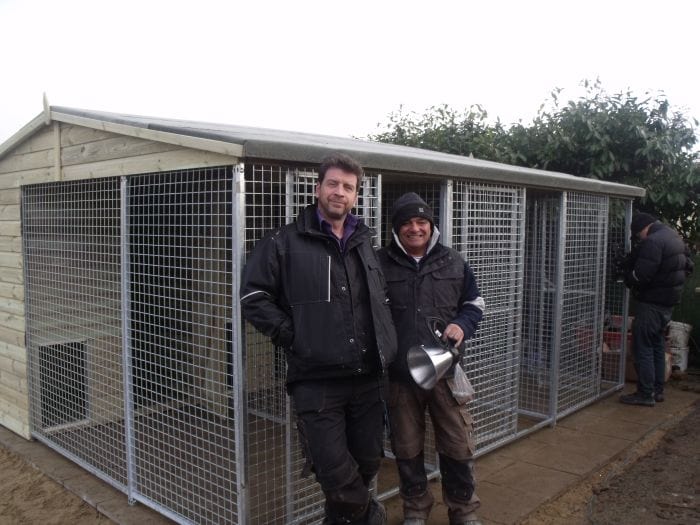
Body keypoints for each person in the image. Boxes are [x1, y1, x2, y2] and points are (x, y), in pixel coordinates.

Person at [240, 152, 397, 524]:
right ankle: (370, 514)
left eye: (348, 186)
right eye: (333, 184)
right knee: (335, 472)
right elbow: (253, 297)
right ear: (317, 189)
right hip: (317, 379)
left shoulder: (364, 242)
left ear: (356, 195)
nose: (339, 192)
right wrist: (296, 336)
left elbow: (379, 300)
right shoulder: (284, 241)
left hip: (368, 377)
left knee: (367, 462)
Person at [377, 192, 485, 525]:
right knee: (406, 447)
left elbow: (475, 303)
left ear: (431, 225)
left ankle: (463, 510)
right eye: (406, 223)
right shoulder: (379, 263)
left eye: (421, 221)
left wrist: (462, 324)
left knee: (457, 445)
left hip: (445, 373)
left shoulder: (453, 261)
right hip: (400, 375)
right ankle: (415, 507)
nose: (415, 228)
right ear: (396, 229)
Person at [620, 212, 694, 407]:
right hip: (667, 303)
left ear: (643, 229)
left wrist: (628, 276)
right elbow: (688, 266)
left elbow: (641, 275)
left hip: (651, 303)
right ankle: (657, 390)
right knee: (657, 346)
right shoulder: (674, 236)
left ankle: (645, 394)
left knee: (642, 347)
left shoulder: (653, 241)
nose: (639, 239)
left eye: (637, 235)